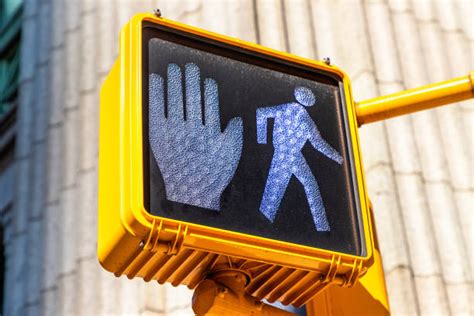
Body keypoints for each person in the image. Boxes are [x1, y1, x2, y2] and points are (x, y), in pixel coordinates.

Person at [256, 87, 343, 231]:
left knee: (282, 188)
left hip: (288, 153)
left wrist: (263, 141)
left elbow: (261, 113)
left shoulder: (286, 109)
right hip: (286, 154)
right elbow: (318, 143)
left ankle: (322, 227)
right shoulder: (305, 119)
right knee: (278, 189)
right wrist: (337, 157)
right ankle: (264, 225)